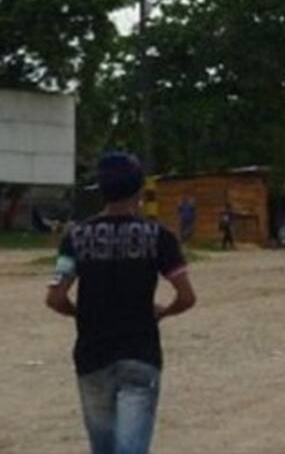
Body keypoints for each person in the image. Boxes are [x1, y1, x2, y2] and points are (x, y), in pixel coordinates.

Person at [45, 152, 196, 454]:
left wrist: (83, 313)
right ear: (139, 190)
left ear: (101, 190)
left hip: (93, 355)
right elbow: (187, 297)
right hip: (140, 354)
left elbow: (55, 298)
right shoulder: (159, 237)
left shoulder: (77, 236)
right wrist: (163, 312)